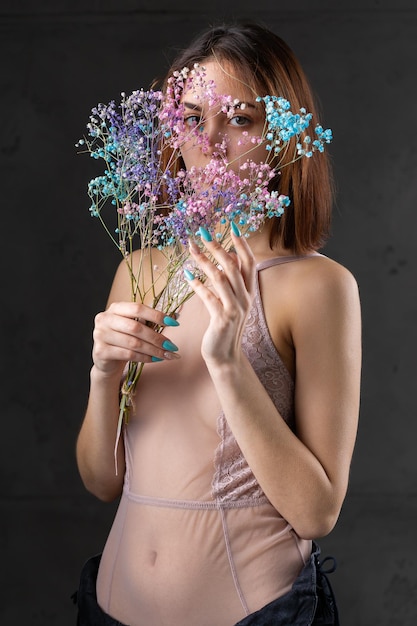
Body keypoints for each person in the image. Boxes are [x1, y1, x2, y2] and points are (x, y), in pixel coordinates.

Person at [74, 21, 361, 626]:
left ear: (282, 135)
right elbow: (103, 481)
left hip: (254, 614)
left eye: (241, 119)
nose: (210, 141)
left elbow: (317, 513)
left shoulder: (317, 287)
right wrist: (104, 375)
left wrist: (229, 362)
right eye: (193, 117)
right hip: (107, 611)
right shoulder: (141, 269)